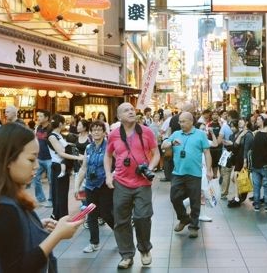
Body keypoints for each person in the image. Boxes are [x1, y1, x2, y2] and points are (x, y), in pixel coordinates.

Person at [0, 123, 82, 272]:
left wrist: (34, 226)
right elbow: (17, 268)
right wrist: (57, 236)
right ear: (8, 160)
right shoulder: (3, 209)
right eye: (31, 159)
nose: (37, 166)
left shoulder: (4, 201)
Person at [104, 102, 160, 269]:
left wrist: (149, 169)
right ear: (119, 117)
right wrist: (108, 175)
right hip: (121, 182)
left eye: (132, 109)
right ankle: (126, 255)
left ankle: (144, 249)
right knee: (121, 221)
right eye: (126, 110)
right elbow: (107, 156)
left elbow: (156, 154)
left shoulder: (146, 131)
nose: (130, 111)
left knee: (142, 217)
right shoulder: (114, 134)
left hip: (142, 182)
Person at [161, 112, 212, 239]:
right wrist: (171, 143)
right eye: (180, 121)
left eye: (183, 121)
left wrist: (209, 170)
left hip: (195, 173)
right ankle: (184, 218)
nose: (180, 124)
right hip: (178, 172)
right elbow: (163, 145)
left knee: (195, 201)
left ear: (190, 121)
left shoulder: (200, 135)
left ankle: (194, 226)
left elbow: (207, 152)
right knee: (174, 198)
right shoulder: (176, 134)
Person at [75, 121, 115, 253]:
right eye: (94, 130)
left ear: (104, 132)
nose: (96, 132)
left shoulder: (110, 146)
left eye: (99, 130)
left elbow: (119, 163)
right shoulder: (88, 148)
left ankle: (120, 233)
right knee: (91, 214)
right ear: (90, 132)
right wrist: (77, 186)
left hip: (104, 185)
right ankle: (94, 243)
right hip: (90, 186)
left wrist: (112, 175)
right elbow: (83, 168)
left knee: (105, 213)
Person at [47, 114, 84, 220]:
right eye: (64, 123)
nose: (65, 125)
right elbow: (61, 153)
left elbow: (68, 148)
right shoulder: (52, 136)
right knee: (59, 193)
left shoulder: (59, 136)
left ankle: (61, 216)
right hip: (58, 167)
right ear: (60, 124)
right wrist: (77, 158)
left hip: (62, 166)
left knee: (62, 193)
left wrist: (81, 156)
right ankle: (59, 216)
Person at [250, 118, 267, 212]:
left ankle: (256, 205)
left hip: (255, 165)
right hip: (265, 165)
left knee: (256, 186)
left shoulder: (257, 135)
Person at [34, 109, 53, 208]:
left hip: (49, 158)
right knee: (35, 178)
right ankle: (40, 198)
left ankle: (51, 200)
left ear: (46, 118)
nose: (38, 118)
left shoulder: (51, 128)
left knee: (51, 180)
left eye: (40, 116)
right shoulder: (38, 128)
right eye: (38, 116)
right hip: (39, 157)